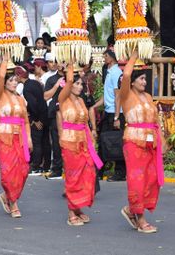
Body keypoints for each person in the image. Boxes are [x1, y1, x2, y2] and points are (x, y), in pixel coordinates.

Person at [118, 52, 163, 234]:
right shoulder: (126, 95)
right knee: (138, 180)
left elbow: (156, 121)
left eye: (145, 79)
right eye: (142, 78)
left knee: (151, 180)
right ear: (134, 80)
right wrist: (135, 54)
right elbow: (126, 75)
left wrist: (162, 140)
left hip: (151, 143)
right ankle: (140, 217)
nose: (145, 82)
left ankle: (131, 210)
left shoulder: (148, 97)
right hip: (134, 143)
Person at [58, 63, 103, 226]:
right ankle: (71, 211)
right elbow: (68, 81)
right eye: (76, 83)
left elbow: (85, 122)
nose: (78, 86)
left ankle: (78, 207)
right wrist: (71, 63)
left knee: (88, 175)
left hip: (83, 142)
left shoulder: (81, 100)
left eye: (80, 84)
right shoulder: (63, 99)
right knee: (73, 177)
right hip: (70, 143)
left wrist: (92, 135)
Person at [0, 57, 32, 218]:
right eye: (11, 80)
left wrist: (29, 138)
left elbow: (26, 121)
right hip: (4, 138)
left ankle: (6, 196)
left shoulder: (20, 100)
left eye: (16, 80)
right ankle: (13, 202)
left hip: (20, 137)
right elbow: (1, 77)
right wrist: (4, 62)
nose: (15, 83)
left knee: (23, 171)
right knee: (8, 172)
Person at [100, 49, 126, 181]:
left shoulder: (116, 72)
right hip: (108, 111)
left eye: (105, 56)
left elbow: (118, 96)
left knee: (117, 143)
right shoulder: (108, 71)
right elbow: (107, 95)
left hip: (116, 113)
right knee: (105, 141)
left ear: (111, 58)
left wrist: (116, 117)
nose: (104, 58)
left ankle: (120, 173)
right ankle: (100, 170)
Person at [16, 65, 48, 176]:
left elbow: (33, 104)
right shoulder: (35, 83)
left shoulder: (26, 88)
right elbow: (40, 100)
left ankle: (35, 165)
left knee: (36, 142)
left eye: (17, 76)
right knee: (44, 141)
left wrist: (35, 120)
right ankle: (45, 165)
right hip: (44, 113)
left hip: (38, 116)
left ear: (20, 76)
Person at [44, 63, 64, 178]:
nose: (63, 64)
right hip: (55, 113)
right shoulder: (52, 79)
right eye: (61, 61)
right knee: (56, 142)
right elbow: (45, 96)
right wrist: (57, 85)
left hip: (70, 114)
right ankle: (57, 169)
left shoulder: (74, 79)